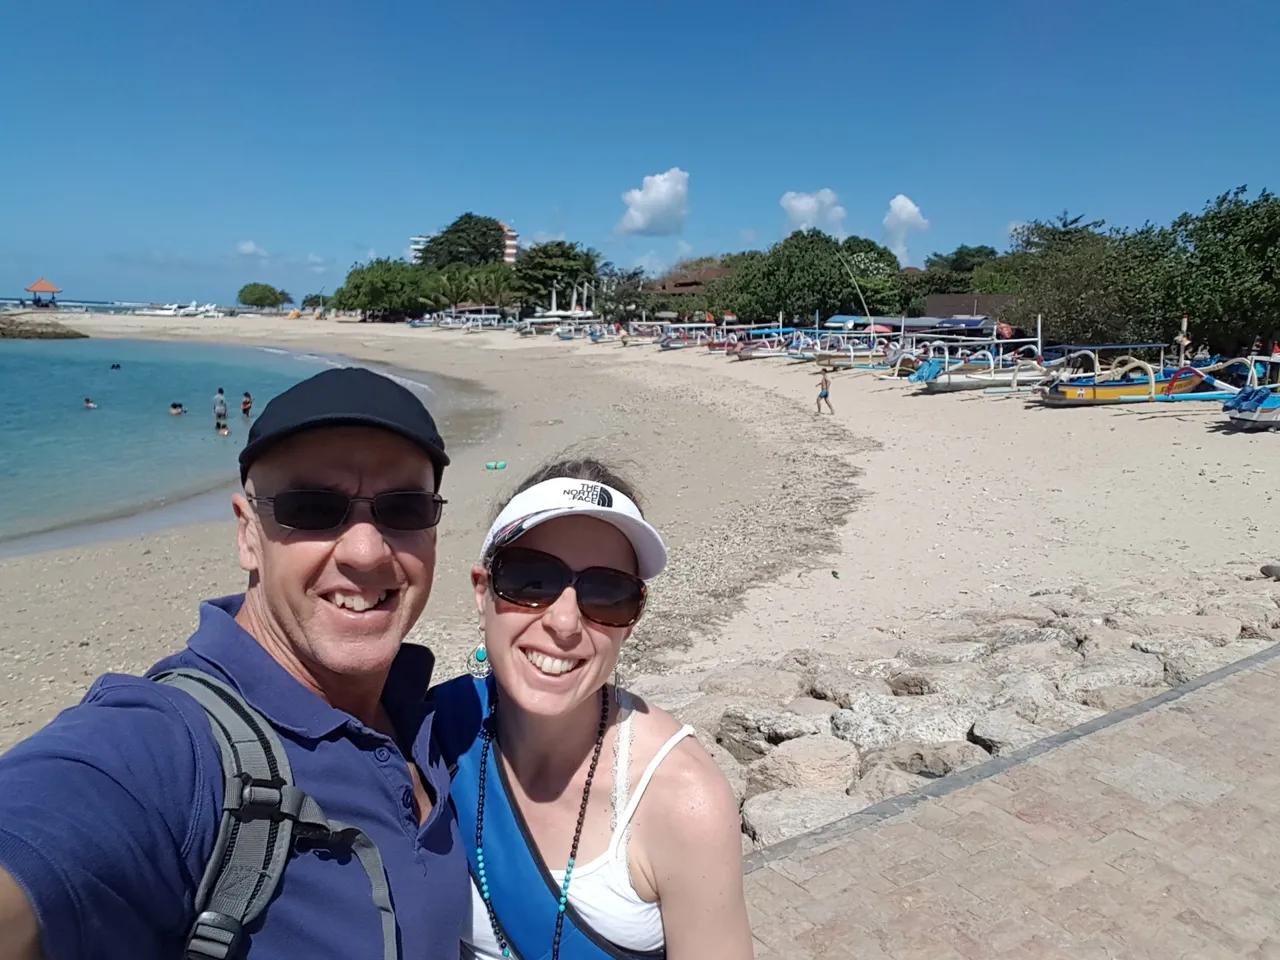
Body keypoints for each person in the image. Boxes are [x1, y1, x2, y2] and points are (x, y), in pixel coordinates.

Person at [0, 367, 468, 959]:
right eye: (312, 507)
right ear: (248, 534)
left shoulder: (434, 722)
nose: (366, 551)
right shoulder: (168, 747)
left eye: (404, 508)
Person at [433, 458, 752, 960]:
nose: (564, 622)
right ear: (482, 593)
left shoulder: (680, 799)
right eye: (531, 581)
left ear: (633, 618)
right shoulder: (432, 735)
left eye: (605, 593)